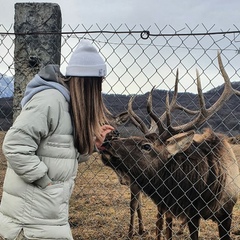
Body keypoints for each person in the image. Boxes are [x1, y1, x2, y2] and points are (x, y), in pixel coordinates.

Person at [0, 39, 114, 240]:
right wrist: (45, 182)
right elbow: (14, 145)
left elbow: (61, 154)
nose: (99, 90)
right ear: (88, 83)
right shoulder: (50, 101)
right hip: (31, 218)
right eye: (98, 84)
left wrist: (92, 145)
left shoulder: (69, 107)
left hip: (47, 215)